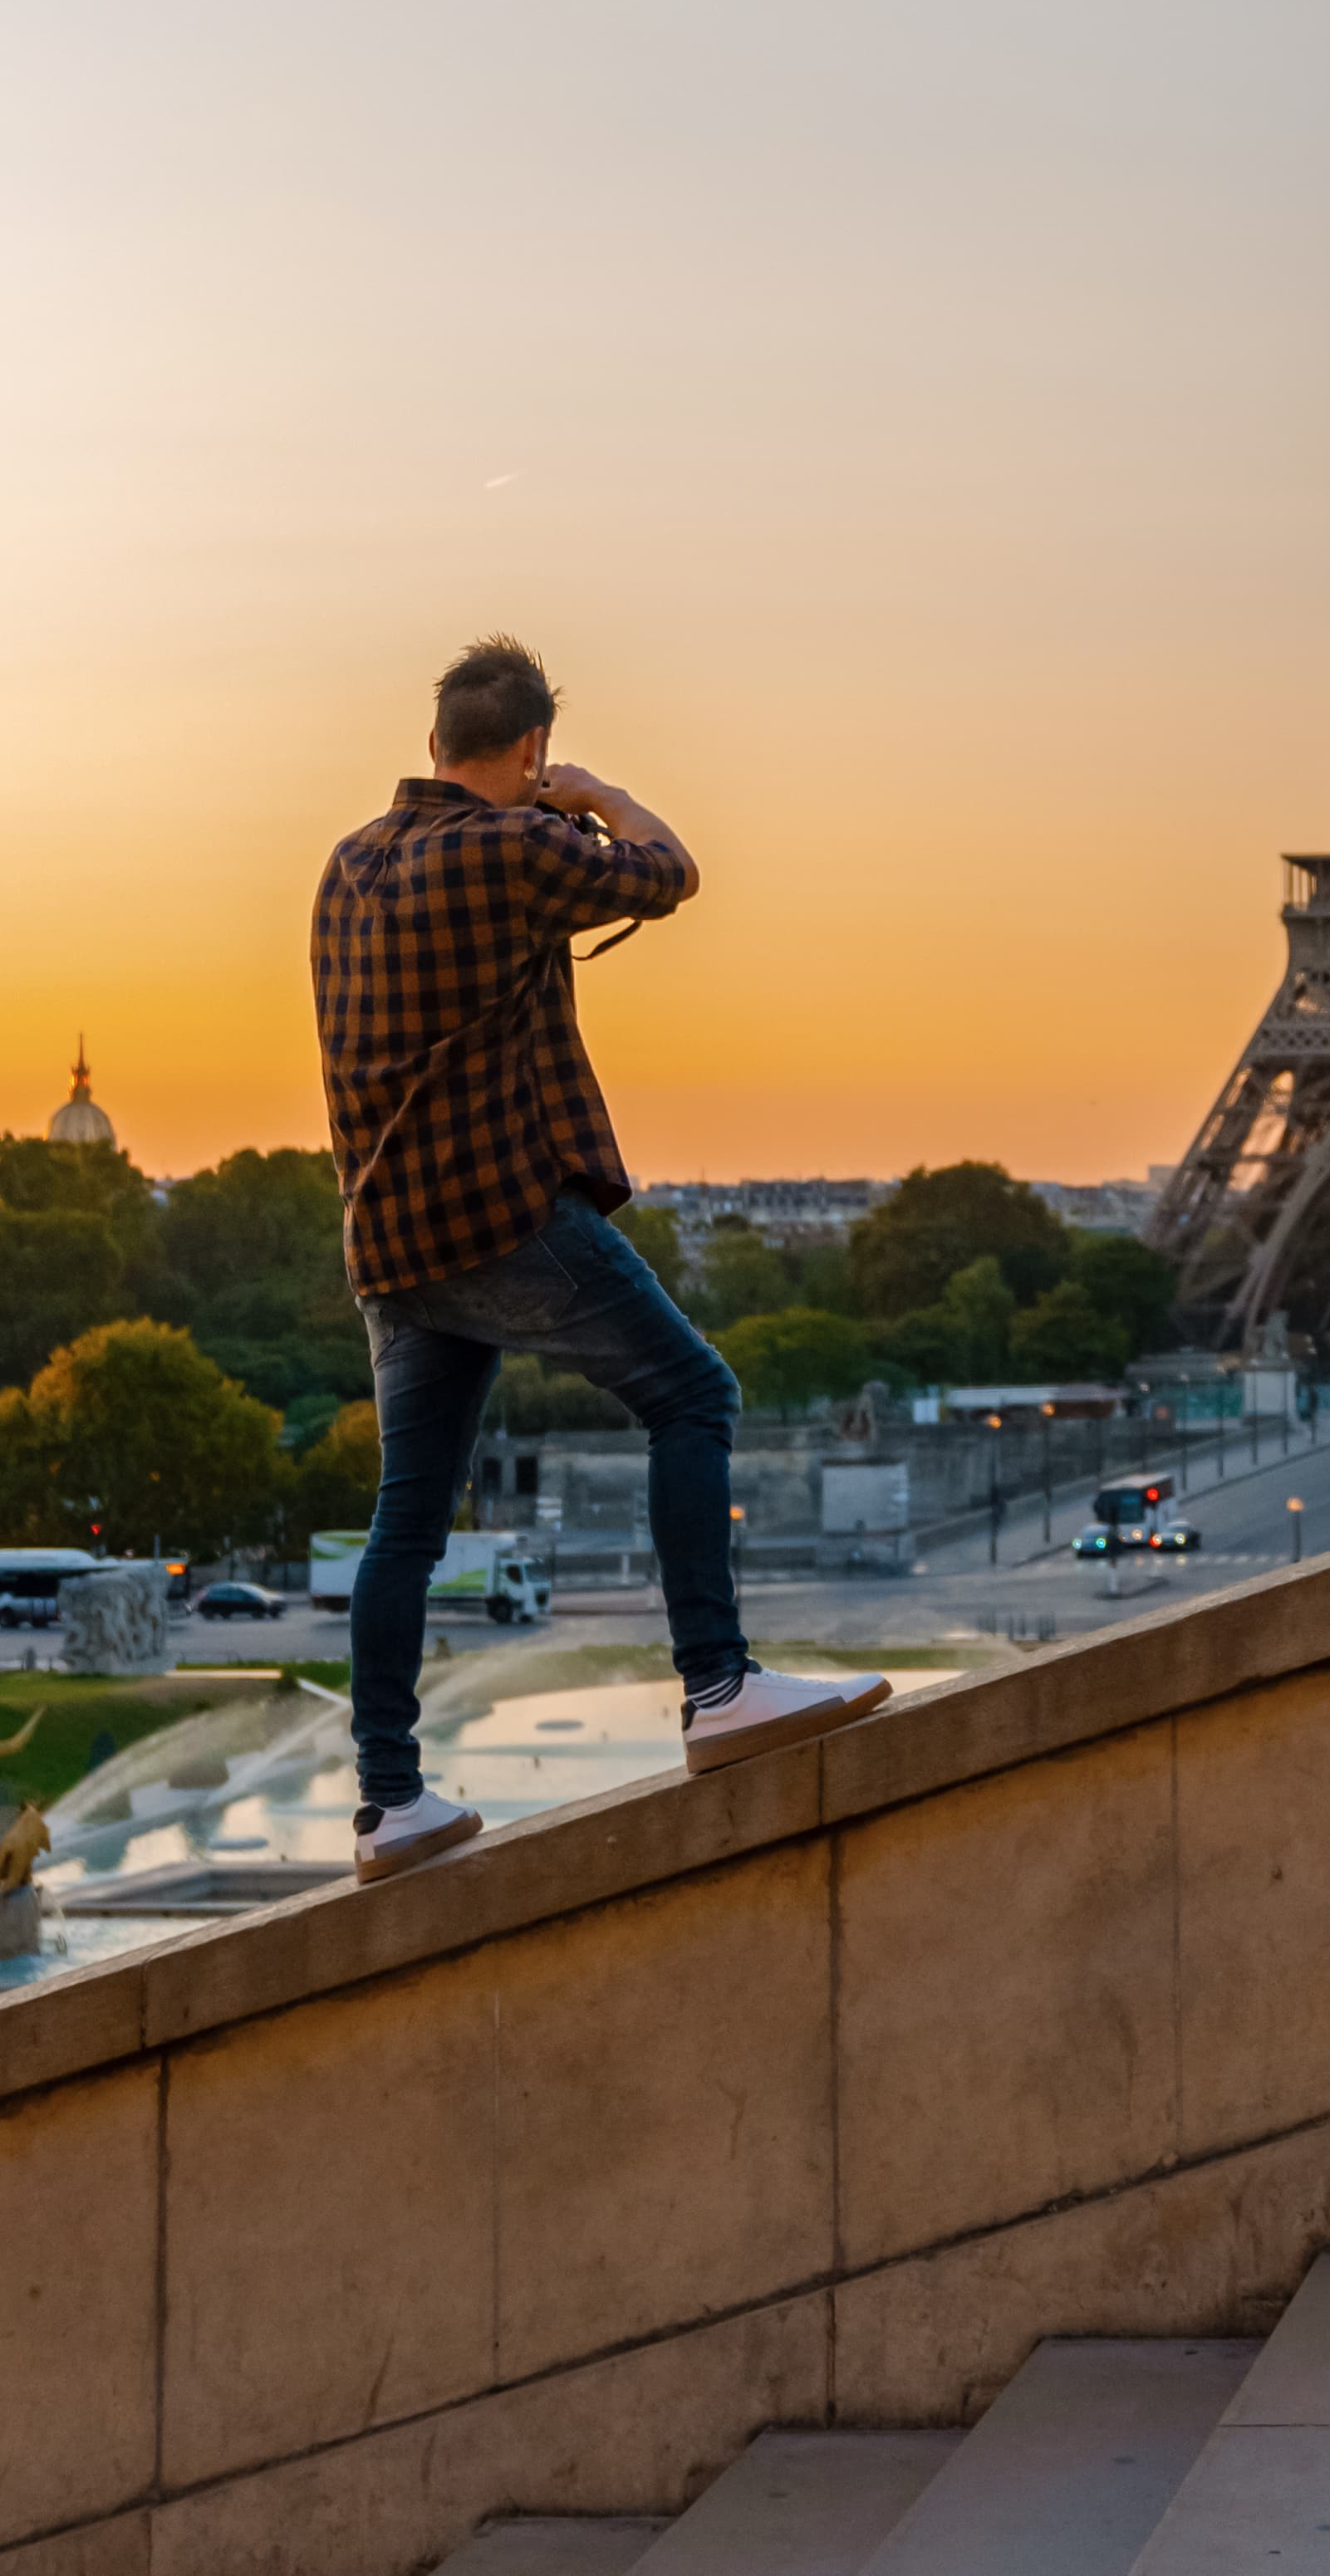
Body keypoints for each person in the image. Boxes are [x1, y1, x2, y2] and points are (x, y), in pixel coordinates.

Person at [312, 634, 884, 1878]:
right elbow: (669, 870)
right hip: (499, 1216)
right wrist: (601, 799)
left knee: (404, 1521)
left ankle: (388, 1802)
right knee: (694, 1393)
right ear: (527, 749)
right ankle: (718, 1684)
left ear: (429, 744)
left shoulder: (348, 864)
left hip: (388, 1241)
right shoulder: (515, 846)